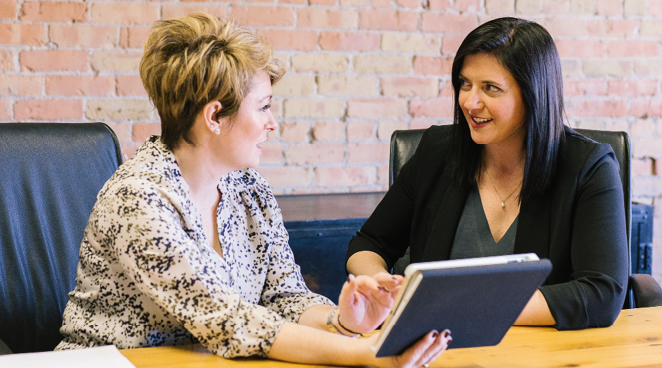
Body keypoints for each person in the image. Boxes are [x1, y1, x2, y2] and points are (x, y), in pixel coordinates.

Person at [55, 12, 451, 367]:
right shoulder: (138, 199)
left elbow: (284, 297)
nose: (272, 122)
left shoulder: (249, 189)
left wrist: (343, 321)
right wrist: (364, 353)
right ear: (214, 116)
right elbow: (227, 320)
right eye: (263, 107)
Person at [346, 17, 629, 331]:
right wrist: (378, 284)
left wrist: (466, 307)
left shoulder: (589, 167)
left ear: (533, 94)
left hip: (541, 354)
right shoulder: (437, 152)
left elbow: (602, 293)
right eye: (465, 84)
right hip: (433, 349)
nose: (470, 101)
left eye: (491, 88)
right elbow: (368, 244)